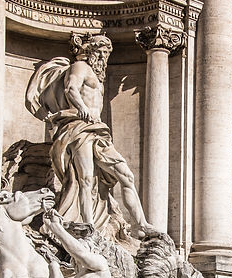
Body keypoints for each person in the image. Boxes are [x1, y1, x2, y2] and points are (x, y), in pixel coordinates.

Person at [25, 33, 153, 236]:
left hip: (98, 130)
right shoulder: (80, 67)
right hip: (77, 126)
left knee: (126, 174)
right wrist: (81, 106)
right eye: (100, 52)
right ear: (91, 51)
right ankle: (88, 223)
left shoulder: (98, 75)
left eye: (107, 53)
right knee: (85, 178)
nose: (103, 56)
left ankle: (141, 224)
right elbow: (70, 88)